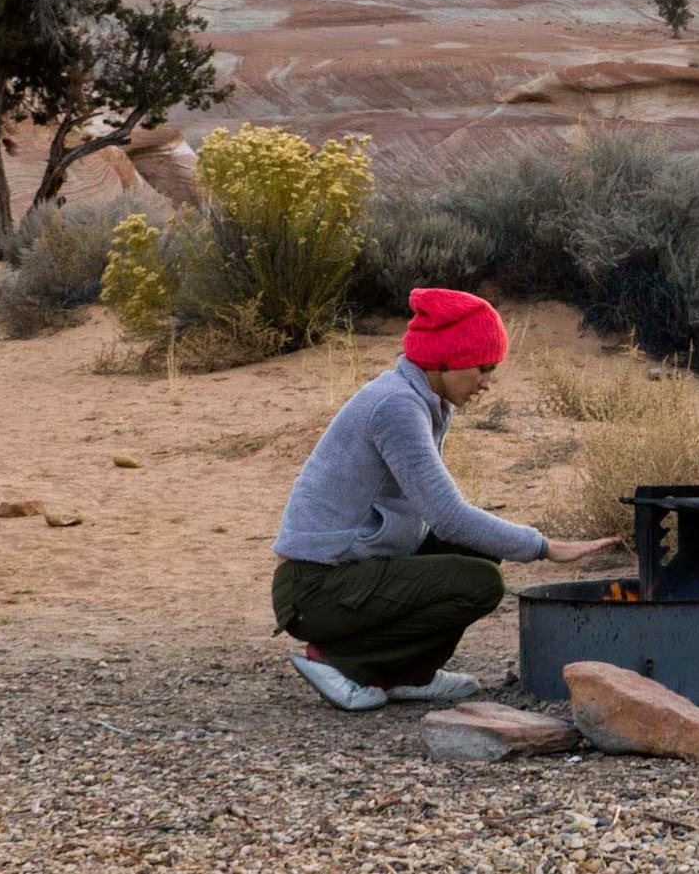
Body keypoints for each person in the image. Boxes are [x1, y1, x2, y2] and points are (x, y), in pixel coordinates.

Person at [267, 287, 627, 710]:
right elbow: (448, 517)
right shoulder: (397, 406)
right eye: (483, 368)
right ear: (446, 359)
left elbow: (443, 516)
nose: (488, 383)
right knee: (482, 582)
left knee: (482, 552)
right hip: (315, 589)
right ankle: (343, 661)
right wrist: (545, 547)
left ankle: (407, 674)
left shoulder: (426, 401)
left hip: (348, 574)